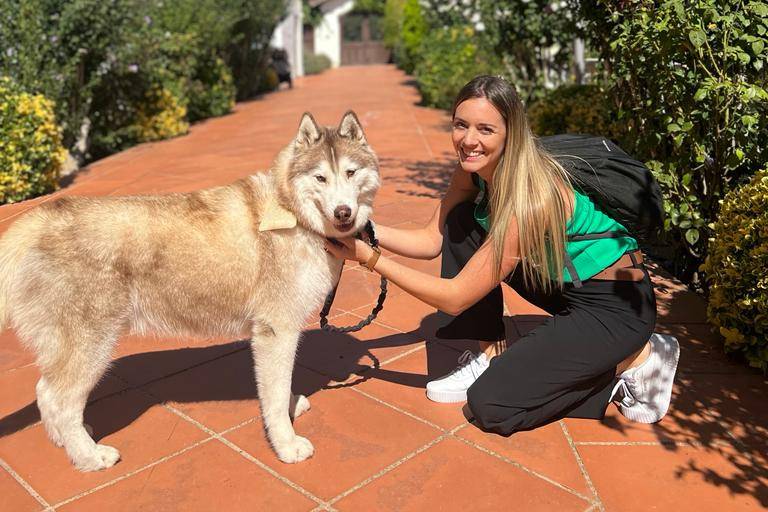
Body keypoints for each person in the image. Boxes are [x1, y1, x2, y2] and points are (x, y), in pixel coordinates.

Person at [324, 75, 680, 435]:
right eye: (460, 125)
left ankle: (637, 358)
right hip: (563, 281)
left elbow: (456, 297)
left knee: (490, 404)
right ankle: (490, 353)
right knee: (463, 221)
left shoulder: (530, 197)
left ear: (511, 134)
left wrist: (368, 258)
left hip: (615, 305)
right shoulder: (473, 171)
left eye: (485, 129)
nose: (468, 140)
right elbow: (432, 240)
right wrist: (358, 227)